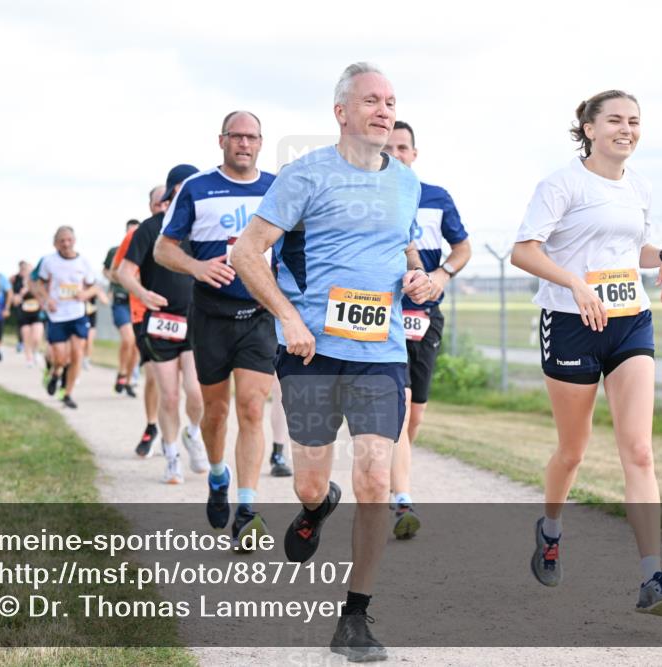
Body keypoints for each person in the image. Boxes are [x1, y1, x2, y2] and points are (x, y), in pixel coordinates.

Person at [232, 62, 431, 661]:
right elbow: (246, 253)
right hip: (310, 350)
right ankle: (316, 507)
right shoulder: (304, 175)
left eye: (391, 101)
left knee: (375, 476)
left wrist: (418, 279)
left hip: (382, 353)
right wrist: (289, 318)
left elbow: (398, 250)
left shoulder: (407, 183)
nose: (384, 109)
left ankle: (355, 617)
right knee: (312, 477)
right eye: (371, 99)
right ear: (341, 112)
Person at [510, 90, 662, 617]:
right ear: (588, 128)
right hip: (570, 324)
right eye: (614, 120)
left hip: (629, 322)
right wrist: (574, 284)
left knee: (640, 450)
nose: (626, 129)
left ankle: (653, 575)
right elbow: (523, 250)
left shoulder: (640, 186)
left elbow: (637, 249)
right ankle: (551, 528)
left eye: (634, 121)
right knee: (574, 451)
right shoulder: (561, 184)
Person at [154, 111, 277, 546]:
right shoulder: (197, 188)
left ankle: (247, 509)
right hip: (210, 316)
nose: (244, 143)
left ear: (261, 143)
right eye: (236, 136)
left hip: (260, 315)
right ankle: (218, 474)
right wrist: (196, 266)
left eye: (252, 137)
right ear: (222, 140)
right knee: (216, 412)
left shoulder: (277, 189)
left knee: (252, 408)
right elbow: (163, 249)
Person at [383, 120, 471, 539]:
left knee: (414, 414)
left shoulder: (436, 198)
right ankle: (402, 497)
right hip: (384, 314)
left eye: (403, 147)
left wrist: (443, 275)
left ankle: (396, 469)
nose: (396, 153)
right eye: (389, 147)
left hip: (426, 314)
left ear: (414, 154)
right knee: (397, 408)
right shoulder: (370, 198)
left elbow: (463, 248)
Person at [115, 165, 210, 485]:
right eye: (180, 188)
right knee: (169, 396)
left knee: (196, 393)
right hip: (161, 322)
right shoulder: (149, 229)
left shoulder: (201, 229)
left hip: (196, 319)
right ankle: (171, 458)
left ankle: (192, 434)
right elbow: (123, 273)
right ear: (170, 193)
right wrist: (143, 293)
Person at [33, 226, 98, 409]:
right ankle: (54, 373)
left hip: (77, 314)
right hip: (57, 315)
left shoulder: (83, 262)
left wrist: (85, 295)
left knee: (77, 354)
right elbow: (39, 285)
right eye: (62, 240)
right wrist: (47, 300)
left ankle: (67, 393)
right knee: (61, 358)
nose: (66, 244)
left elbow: (94, 287)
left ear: (74, 240)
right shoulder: (48, 261)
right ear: (56, 243)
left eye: (69, 240)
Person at [104, 220, 141, 397]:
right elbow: (106, 271)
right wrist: (119, 279)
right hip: (121, 301)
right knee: (128, 338)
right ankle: (122, 372)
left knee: (136, 345)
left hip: (139, 302)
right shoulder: (115, 251)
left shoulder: (145, 249)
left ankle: (126, 379)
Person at [12, 261, 45, 368]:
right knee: (26, 337)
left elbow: (43, 297)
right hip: (24, 314)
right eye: (26, 270)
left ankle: (36, 351)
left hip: (36, 314)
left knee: (36, 337)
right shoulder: (18, 283)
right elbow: (15, 301)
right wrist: (22, 293)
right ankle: (29, 359)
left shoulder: (38, 283)